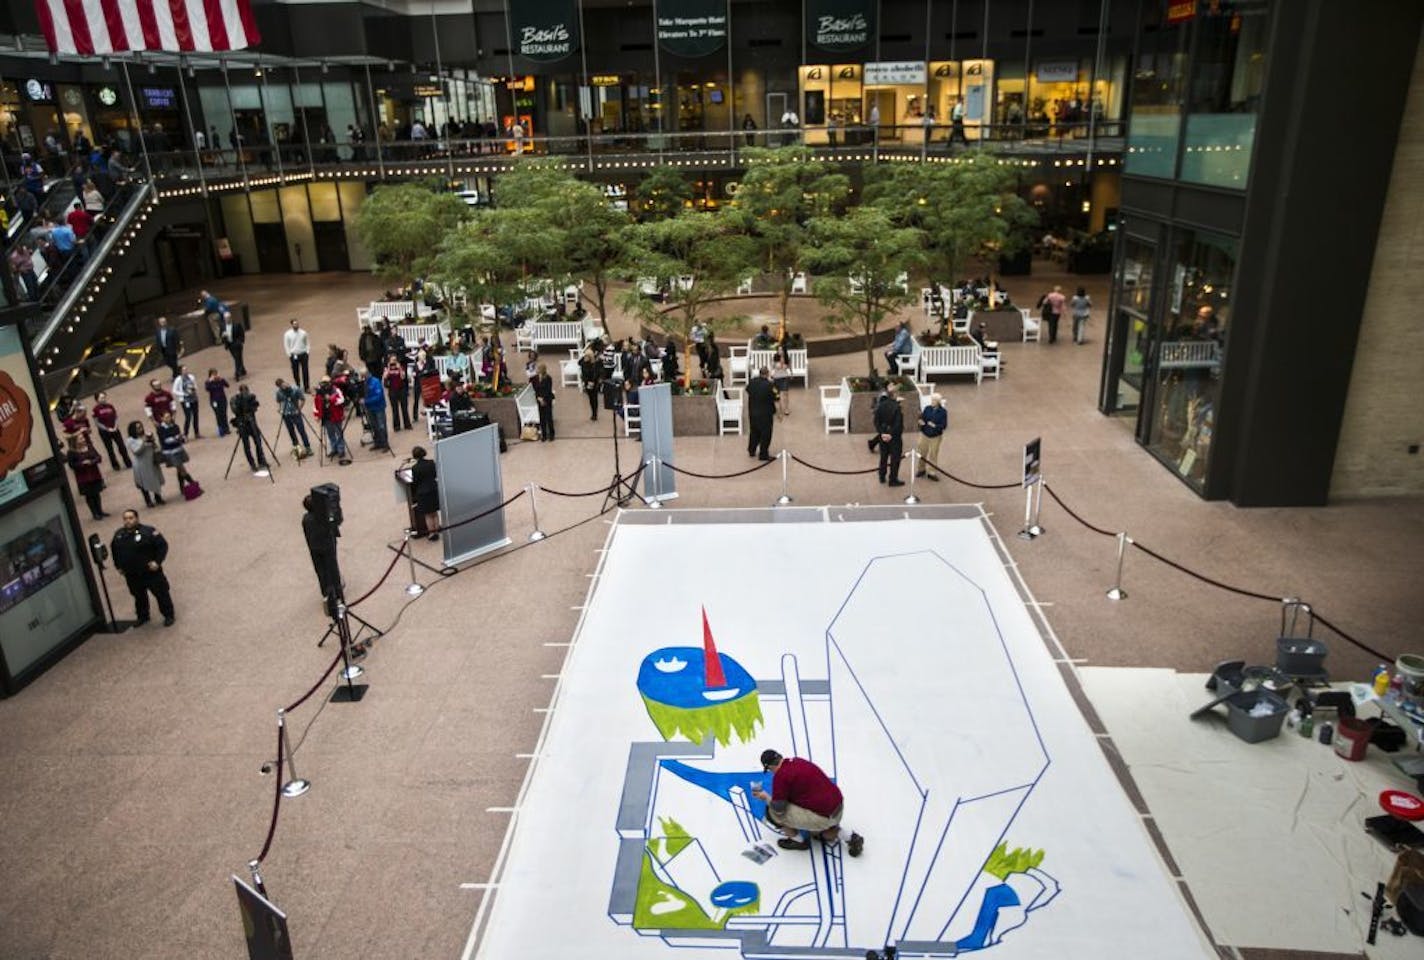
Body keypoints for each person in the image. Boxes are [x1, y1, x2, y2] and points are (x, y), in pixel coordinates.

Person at [751, 749, 861, 856]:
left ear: (769, 767)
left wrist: (765, 797)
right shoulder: (798, 761)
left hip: (824, 817)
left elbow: (779, 809)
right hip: (837, 806)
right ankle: (850, 837)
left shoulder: (781, 777)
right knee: (821, 832)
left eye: (770, 770)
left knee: (772, 813)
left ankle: (798, 841)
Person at [110, 509, 175, 626]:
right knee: (138, 596)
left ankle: (168, 615)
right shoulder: (119, 535)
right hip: (132, 574)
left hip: (150, 572)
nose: (128, 521)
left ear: (137, 519)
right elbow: (115, 552)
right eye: (125, 518)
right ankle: (143, 616)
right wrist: (118, 566)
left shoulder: (149, 532)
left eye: (131, 518)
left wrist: (157, 562)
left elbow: (162, 546)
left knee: (161, 594)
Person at [301, 494, 342, 605]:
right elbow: (335, 523)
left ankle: (326, 593)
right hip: (327, 546)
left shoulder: (305, 519)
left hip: (314, 548)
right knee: (332, 568)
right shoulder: (323, 518)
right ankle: (337, 591)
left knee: (321, 571)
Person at [229, 383, 269, 474]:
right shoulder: (234, 399)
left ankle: (261, 460)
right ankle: (252, 463)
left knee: (258, 441)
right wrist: (241, 403)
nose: (245, 394)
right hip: (242, 424)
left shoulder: (250, 397)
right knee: (246, 445)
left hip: (252, 423)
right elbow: (235, 410)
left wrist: (249, 405)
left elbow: (255, 408)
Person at [67, 433, 108, 520]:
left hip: (94, 474)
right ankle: (94, 513)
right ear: (75, 441)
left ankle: (100, 511)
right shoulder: (71, 452)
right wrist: (82, 464)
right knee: (89, 495)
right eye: (80, 438)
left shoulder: (90, 447)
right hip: (83, 478)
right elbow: (71, 465)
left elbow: (98, 457)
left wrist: (92, 461)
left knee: (96, 493)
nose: (83, 440)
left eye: (83, 438)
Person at [125, 421, 165, 506]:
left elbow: (156, 447)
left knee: (155, 479)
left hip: (151, 461)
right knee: (143, 482)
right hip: (141, 463)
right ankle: (148, 501)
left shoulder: (146, 436)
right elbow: (136, 452)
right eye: (138, 428)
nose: (140, 429)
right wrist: (144, 442)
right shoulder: (130, 440)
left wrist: (153, 441)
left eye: (141, 426)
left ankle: (158, 497)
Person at [155, 411, 197, 489]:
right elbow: (166, 441)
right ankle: (193, 483)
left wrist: (183, 438)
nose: (169, 419)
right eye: (166, 417)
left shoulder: (175, 426)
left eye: (169, 417)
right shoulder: (160, 429)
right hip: (170, 452)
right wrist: (177, 438)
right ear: (162, 418)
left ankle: (182, 487)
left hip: (178, 449)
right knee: (181, 468)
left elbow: (179, 436)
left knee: (179, 469)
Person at [313, 375, 351, 465]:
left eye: (326, 383)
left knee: (339, 433)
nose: (324, 385)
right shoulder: (320, 392)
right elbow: (315, 404)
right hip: (326, 417)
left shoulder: (335, 390)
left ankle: (341, 450)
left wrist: (331, 399)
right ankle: (334, 449)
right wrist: (317, 415)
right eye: (323, 383)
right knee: (330, 434)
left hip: (336, 415)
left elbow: (341, 400)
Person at [874, 387, 905, 487]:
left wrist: (882, 433)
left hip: (883, 437)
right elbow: (898, 424)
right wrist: (890, 434)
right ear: (895, 395)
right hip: (894, 438)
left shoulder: (881, 405)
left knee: (883, 457)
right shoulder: (897, 407)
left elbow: (876, 421)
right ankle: (893, 479)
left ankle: (882, 476)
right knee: (895, 459)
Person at [275, 378, 314, 457]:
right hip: (286, 414)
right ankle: (296, 447)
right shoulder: (278, 392)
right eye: (280, 387)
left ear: (284, 382)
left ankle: (307, 447)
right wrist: (280, 409)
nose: (282, 387)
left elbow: (302, 399)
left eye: (282, 385)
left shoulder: (295, 389)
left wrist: (299, 409)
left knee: (301, 430)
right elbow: (279, 401)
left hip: (295, 413)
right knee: (291, 431)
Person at [745, 366, 777, 461]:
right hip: (765, 414)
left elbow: (748, 391)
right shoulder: (770, 385)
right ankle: (763, 454)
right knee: (765, 434)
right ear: (767, 374)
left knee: (754, 431)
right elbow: (776, 398)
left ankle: (752, 450)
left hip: (753, 412)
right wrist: (779, 413)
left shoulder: (752, 382)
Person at [92, 392, 131, 470]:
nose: (103, 399)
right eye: (101, 398)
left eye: (104, 397)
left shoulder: (110, 406)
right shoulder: (95, 409)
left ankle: (128, 462)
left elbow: (115, 416)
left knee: (122, 446)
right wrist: (107, 429)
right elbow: (97, 423)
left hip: (115, 429)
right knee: (110, 449)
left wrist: (116, 426)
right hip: (105, 432)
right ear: (97, 400)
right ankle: (115, 465)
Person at [409, 446, 441, 540]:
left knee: (428, 514)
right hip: (433, 489)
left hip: (423, 492)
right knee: (434, 512)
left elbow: (415, 482)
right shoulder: (431, 463)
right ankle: (437, 529)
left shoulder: (415, 468)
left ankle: (431, 534)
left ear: (415, 456)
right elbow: (435, 474)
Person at [915, 393, 947, 481]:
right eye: (932, 400)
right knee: (922, 452)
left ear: (938, 402)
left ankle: (932, 473)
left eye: (934, 400)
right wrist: (921, 422)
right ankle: (921, 469)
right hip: (924, 434)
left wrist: (935, 426)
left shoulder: (943, 412)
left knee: (933, 454)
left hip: (935, 437)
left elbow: (944, 425)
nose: (932, 402)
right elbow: (922, 419)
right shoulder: (927, 409)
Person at [363, 369, 389, 451]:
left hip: (378, 407)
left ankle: (385, 444)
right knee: (373, 426)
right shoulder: (364, 383)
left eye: (363, 376)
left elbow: (379, 396)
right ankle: (377, 442)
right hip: (369, 408)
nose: (363, 378)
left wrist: (366, 401)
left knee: (381, 426)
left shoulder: (376, 382)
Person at [172, 365, 200, 439]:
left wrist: (194, 390)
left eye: (186, 369)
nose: (186, 371)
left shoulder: (191, 377)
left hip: (193, 398)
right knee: (188, 416)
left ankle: (197, 433)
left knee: (196, 415)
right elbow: (174, 390)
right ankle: (186, 434)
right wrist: (184, 394)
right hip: (185, 400)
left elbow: (195, 385)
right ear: (180, 371)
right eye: (184, 370)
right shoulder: (178, 380)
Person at [383, 358, 411, 432]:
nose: (393, 363)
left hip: (401, 389)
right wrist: (389, 369)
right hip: (392, 390)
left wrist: (399, 368)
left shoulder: (400, 368)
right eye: (392, 361)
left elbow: (403, 377)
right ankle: (396, 426)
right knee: (395, 409)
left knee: (404, 408)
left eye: (395, 361)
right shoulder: (387, 369)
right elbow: (385, 377)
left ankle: (407, 424)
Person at [284, 318, 311, 390]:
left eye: (297, 324)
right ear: (292, 325)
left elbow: (307, 342)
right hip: (294, 355)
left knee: (305, 371)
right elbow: (286, 345)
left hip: (303, 354)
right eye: (295, 324)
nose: (296, 325)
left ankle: (306, 387)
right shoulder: (287, 334)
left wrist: (307, 352)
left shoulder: (303, 333)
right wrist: (289, 355)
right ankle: (298, 385)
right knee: (295, 372)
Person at [578, 346, 603, 421]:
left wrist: (594, 381)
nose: (586, 357)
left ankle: (595, 414)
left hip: (594, 383)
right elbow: (579, 363)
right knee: (590, 399)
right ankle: (593, 412)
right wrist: (583, 357)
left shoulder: (595, 363)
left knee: (594, 398)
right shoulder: (583, 363)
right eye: (585, 355)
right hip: (587, 382)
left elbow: (597, 373)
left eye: (588, 356)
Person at [221, 309, 247, 379]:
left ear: (230, 318)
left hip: (237, 344)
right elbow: (221, 335)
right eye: (226, 319)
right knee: (237, 358)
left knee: (237, 359)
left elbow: (242, 334)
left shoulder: (237, 324)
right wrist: (223, 337)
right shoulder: (223, 326)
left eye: (228, 318)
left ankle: (237, 373)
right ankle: (243, 370)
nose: (227, 320)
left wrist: (240, 342)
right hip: (230, 345)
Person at [205, 369, 231, 438]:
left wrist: (222, 379)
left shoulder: (220, 380)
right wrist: (210, 381)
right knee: (218, 414)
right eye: (213, 374)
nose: (215, 376)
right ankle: (221, 429)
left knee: (224, 413)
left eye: (216, 374)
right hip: (214, 401)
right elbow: (207, 389)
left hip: (222, 399)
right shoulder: (208, 382)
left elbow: (227, 385)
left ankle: (226, 428)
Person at [772, 347, 792, 417]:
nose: (780, 351)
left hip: (784, 377)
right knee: (777, 394)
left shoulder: (787, 358)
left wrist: (791, 373)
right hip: (776, 377)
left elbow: (789, 366)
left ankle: (786, 408)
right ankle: (779, 409)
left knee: (785, 393)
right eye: (779, 350)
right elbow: (773, 367)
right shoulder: (775, 358)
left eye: (781, 350)